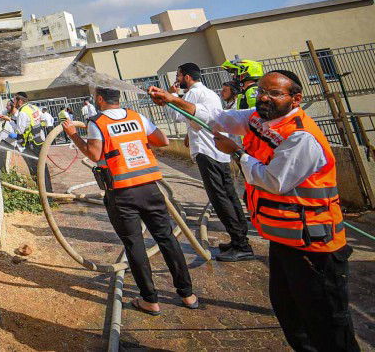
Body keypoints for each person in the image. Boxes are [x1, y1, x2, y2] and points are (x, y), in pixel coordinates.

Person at [211, 70, 359, 352]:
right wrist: (175, 101)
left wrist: (236, 151)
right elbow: (225, 118)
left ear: (296, 98)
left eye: (275, 93)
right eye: (263, 91)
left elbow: (273, 180)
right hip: (286, 240)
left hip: (315, 248)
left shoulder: (301, 137)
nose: (264, 97)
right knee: (291, 314)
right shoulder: (262, 119)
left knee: (327, 325)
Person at [62, 87, 198, 315]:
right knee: (166, 239)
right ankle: (187, 294)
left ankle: (150, 300)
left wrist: (73, 135)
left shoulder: (98, 122)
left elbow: (94, 155)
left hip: (122, 193)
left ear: (100, 100)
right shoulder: (137, 117)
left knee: (135, 244)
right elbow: (162, 140)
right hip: (150, 188)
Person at [149, 63, 253, 261]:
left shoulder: (192, 95)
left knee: (220, 198)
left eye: (178, 75)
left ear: (187, 77)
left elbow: (177, 116)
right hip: (219, 152)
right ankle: (240, 238)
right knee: (229, 195)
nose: (177, 80)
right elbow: (197, 120)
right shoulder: (208, 93)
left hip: (207, 151)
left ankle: (241, 245)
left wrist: (171, 97)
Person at [14, 92, 53, 192]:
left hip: (31, 144)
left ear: (20, 101)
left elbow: (19, 130)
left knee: (36, 170)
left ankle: (45, 196)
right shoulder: (33, 107)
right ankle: (49, 193)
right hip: (39, 141)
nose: (14, 102)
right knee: (43, 167)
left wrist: (11, 122)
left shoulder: (22, 112)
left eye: (15, 100)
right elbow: (43, 120)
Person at [0, 99, 17, 171]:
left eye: (7, 105)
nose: (6, 107)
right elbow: (0, 117)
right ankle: (1, 170)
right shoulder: (6, 112)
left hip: (16, 140)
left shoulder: (18, 115)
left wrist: (16, 135)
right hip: (6, 139)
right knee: (0, 152)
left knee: (28, 157)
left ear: (13, 106)